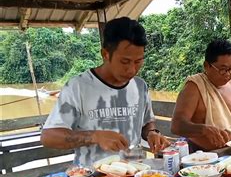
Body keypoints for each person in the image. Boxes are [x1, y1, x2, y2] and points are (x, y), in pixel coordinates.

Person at [41, 17, 170, 166]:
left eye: (138, 61)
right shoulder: (78, 86)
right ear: (106, 54)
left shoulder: (140, 86)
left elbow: (147, 123)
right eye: (125, 61)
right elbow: (49, 137)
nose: (132, 70)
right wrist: (95, 136)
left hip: (134, 171)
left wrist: (153, 133)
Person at [171, 39, 231, 151]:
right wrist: (204, 129)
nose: (228, 74)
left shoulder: (230, 84)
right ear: (206, 66)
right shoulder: (194, 87)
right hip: (202, 157)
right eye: (223, 69)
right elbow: (177, 125)